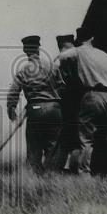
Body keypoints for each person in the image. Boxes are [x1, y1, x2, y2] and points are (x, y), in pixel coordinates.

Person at [66, 26, 107, 178]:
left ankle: (84, 177)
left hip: (92, 96)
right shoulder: (106, 56)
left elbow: (62, 58)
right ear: (92, 38)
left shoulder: (77, 52)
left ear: (78, 39)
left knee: (86, 139)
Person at [6, 35, 64, 174]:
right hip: (54, 109)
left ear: (25, 50)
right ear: (38, 48)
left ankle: (35, 180)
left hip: (35, 110)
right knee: (53, 146)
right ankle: (52, 179)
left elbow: (13, 92)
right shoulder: (53, 66)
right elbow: (62, 87)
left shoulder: (23, 70)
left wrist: (11, 109)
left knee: (34, 148)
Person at [51, 34, 81, 171]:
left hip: (65, 103)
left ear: (60, 45)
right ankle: (75, 167)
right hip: (80, 101)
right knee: (77, 138)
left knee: (65, 138)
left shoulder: (58, 60)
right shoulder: (79, 56)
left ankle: (58, 169)